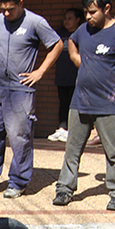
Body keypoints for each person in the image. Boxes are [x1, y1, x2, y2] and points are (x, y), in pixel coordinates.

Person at [53, 0, 115, 211]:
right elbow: (71, 42)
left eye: (92, 12)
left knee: (114, 152)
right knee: (72, 150)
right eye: (86, 12)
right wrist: (76, 59)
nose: (88, 16)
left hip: (109, 104)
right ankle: (64, 189)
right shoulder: (83, 30)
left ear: (107, 8)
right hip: (80, 101)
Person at [0, 0, 62, 199]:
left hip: (21, 90)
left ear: (21, 3)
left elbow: (57, 44)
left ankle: (18, 181)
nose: (6, 13)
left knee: (19, 137)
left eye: (10, 9)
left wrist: (40, 72)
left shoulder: (35, 22)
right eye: (2, 8)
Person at [48, 8, 83, 143]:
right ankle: (62, 128)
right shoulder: (60, 34)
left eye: (70, 18)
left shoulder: (81, 33)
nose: (66, 21)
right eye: (65, 18)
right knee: (63, 103)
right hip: (62, 75)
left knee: (73, 104)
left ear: (78, 20)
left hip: (76, 76)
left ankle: (72, 130)